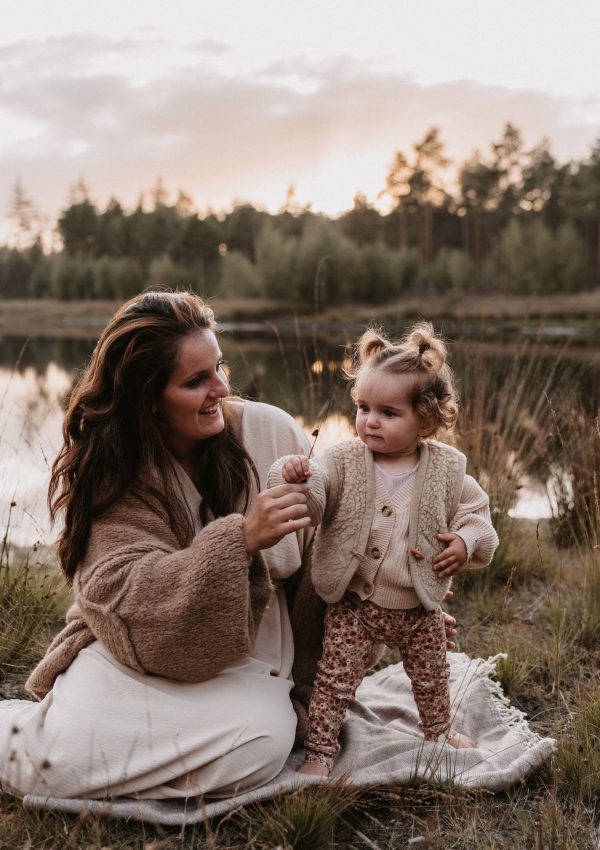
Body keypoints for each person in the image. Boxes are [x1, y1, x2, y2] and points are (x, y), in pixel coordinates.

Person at [0, 293, 457, 802]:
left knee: (261, 744)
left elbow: (338, 551)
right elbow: (118, 589)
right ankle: (75, 741)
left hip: (253, 657)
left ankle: (139, 761)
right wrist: (241, 539)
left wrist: (396, 600)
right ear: (149, 398)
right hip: (134, 651)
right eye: (195, 381)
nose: (220, 387)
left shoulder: (271, 433)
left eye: (218, 367)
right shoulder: (119, 467)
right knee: (43, 766)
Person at [268, 322, 499, 777]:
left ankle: (438, 731)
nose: (370, 421)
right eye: (363, 408)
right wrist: (293, 476)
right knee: (334, 681)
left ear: (426, 421)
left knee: (432, 677)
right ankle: (320, 752)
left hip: (419, 607)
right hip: (355, 605)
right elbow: (315, 498)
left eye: (388, 413)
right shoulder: (343, 461)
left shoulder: (448, 472)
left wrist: (466, 541)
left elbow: (479, 518)